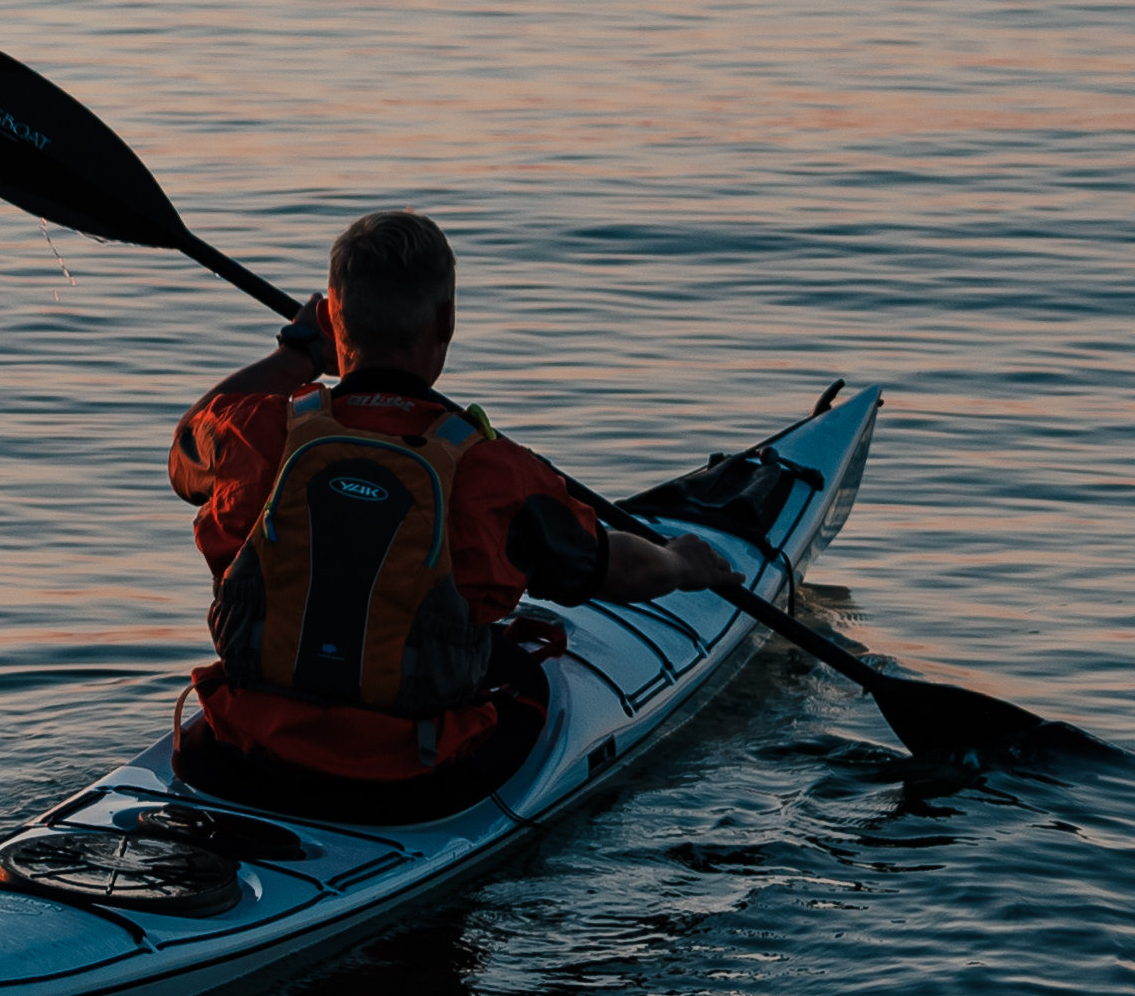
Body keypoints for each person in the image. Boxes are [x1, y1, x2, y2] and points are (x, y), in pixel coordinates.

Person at [169, 207, 730, 818]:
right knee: (523, 668)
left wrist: (300, 352)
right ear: (447, 320)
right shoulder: (493, 470)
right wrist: (682, 564)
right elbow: (610, 569)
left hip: (244, 752)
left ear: (333, 317)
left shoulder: (260, 430)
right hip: (414, 781)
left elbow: (185, 448)